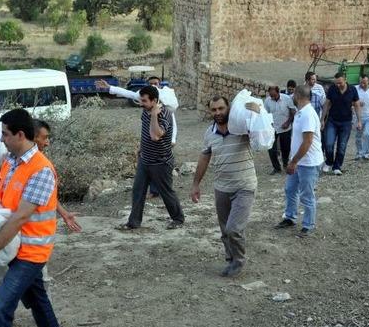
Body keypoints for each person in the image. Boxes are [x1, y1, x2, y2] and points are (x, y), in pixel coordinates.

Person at [0, 109, 65, 327]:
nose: (1, 139)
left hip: (30, 252)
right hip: (14, 247)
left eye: (4, 134)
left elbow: (20, 217)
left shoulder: (41, 170)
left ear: (20, 135)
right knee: (38, 300)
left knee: (1, 308)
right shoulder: (10, 162)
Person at [189, 96, 262, 278]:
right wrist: (196, 184)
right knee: (224, 231)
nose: (218, 113)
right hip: (221, 187)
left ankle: (239, 261)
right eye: (214, 110)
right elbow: (204, 158)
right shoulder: (209, 133)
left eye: (221, 108)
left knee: (233, 229)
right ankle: (230, 260)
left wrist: (255, 110)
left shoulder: (241, 128)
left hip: (244, 185)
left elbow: (260, 130)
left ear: (228, 108)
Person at [0, 120, 81, 234]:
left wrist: (64, 213)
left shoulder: (38, 165)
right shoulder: (11, 161)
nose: (47, 143)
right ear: (32, 138)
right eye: (44, 138)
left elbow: (39, 193)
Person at [96, 76, 177, 199]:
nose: (153, 85)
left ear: (159, 84)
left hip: (161, 146)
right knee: (149, 168)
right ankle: (154, 192)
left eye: (155, 83)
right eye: (151, 83)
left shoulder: (165, 105)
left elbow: (172, 123)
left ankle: (165, 194)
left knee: (161, 168)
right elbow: (128, 93)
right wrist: (109, 87)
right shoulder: (146, 102)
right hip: (148, 149)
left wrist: (173, 139)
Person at [117, 85, 185, 230]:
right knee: (138, 190)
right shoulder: (145, 111)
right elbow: (146, 133)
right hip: (145, 160)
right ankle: (133, 222)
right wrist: (141, 148)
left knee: (166, 192)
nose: (141, 104)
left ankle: (178, 219)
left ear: (154, 101)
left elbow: (155, 136)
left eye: (144, 101)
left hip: (161, 162)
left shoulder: (164, 114)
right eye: (140, 100)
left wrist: (154, 115)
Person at [274, 85, 323, 238]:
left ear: (297, 95)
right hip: (298, 161)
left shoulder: (308, 114)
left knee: (307, 195)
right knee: (290, 189)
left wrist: (293, 161)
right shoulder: (301, 113)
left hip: (308, 163)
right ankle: (290, 217)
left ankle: (308, 225)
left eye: (293, 94)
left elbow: (307, 142)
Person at [320, 73, 361, 176]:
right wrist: (322, 119)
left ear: (345, 80)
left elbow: (357, 105)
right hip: (332, 121)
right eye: (336, 83)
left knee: (342, 146)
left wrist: (359, 120)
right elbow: (327, 104)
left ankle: (337, 166)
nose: (338, 85)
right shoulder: (332, 89)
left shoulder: (352, 90)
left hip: (346, 122)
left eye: (340, 83)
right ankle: (329, 161)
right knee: (328, 144)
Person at [263, 85, 295, 175]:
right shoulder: (267, 101)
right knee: (271, 148)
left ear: (278, 92)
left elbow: (293, 112)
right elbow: (265, 114)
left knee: (286, 147)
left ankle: (285, 163)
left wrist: (288, 122)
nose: (272, 97)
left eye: (274, 95)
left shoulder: (287, 99)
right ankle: (276, 168)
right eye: (271, 95)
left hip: (285, 127)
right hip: (272, 128)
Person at [353, 75, 369, 160]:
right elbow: (349, 100)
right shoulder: (355, 88)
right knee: (358, 136)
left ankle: (365, 153)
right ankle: (359, 152)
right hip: (358, 116)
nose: (362, 84)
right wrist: (357, 102)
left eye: (364, 82)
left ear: (368, 81)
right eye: (360, 82)